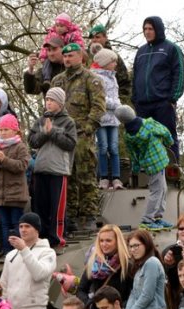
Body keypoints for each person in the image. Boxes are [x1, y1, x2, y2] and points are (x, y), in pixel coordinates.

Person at [51, 43, 105, 232]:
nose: (67, 59)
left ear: (80, 57)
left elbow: (98, 107)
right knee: (67, 176)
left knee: (85, 176)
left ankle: (89, 215)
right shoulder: (57, 81)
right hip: (61, 136)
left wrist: (88, 129)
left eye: (71, 56)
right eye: (64, 56)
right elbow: (51, 106)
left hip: (82, 135)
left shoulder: (92, 79)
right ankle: (70, 216)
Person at [28, 87, 77, 250]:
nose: (48, 103)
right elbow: (32, 141)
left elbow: (70, 144)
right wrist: (44, 133)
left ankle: (56, 238)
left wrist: (53, 132)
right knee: (40, 207)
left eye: (52, 100)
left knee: (56, 208)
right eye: (47, 100)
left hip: (58, 171)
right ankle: (41, 238)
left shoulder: (68, 122)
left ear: (60, 103)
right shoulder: (41, 120)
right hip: (41, 168)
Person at [131, 16, 184, 159]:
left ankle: (171, 172)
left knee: (167, 137)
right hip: (142, 105)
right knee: (143, 139)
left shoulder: (171, 48)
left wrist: (172, 98)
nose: (147, 32)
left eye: (150, 29)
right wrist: (135, 98)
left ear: (158, 30)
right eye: (145, 29)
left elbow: (179, 73)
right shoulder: (141, 52)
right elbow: (135, 76)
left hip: (163, 103)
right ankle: (145, 173)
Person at [115, 105, 172, 231]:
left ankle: (158, 216)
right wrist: (169, 142)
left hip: (148, 164)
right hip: (159, 160)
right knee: (157, 191)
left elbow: (133, 153)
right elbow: (165, 131)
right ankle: (147, 219)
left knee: (162, 189)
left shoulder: (128, 135)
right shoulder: (149, 124)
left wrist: (135, 167)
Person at [0, 114, 29, 256]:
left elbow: (21, 166)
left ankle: (18, 252)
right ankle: (7, 252)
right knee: (4, 224)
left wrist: (4, 160)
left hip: (16, 194)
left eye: (6, 129)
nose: (3, 133)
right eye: (1, 130)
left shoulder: (20, 146)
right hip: (1, 195)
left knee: (16, 224)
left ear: (15, 131)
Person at [91, 49, 123, 190]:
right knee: (103, 147)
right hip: (102, 119)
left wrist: (117, 106)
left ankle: (116, 178)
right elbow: (101, 98)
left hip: (114, 118)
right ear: (105, 63)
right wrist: (117, 105)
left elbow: (115, 96)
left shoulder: (113, 77)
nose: (115, 64)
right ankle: (103, 177)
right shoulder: (96, 78)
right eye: (113, 61)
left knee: (114, 148)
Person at [86, 24, 131, 101]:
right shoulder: (85, 56)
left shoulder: (114, 57)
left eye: (97, 37)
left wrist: (119, 102)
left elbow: (124, 83)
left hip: (112, 103)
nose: (94, 40)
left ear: (105, 38)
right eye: (92, 38)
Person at [38, 13, 85, 86]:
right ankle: (46, 78)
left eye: (62, 26)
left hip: (66, 55)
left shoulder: (73, 34)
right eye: (57, 26)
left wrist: (77, 51)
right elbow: (45, 47)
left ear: (67, 27)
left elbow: (79, 43)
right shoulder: (52, 34)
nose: (59, 28)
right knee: (47, 63)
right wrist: (43, 56)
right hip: (56, 59)